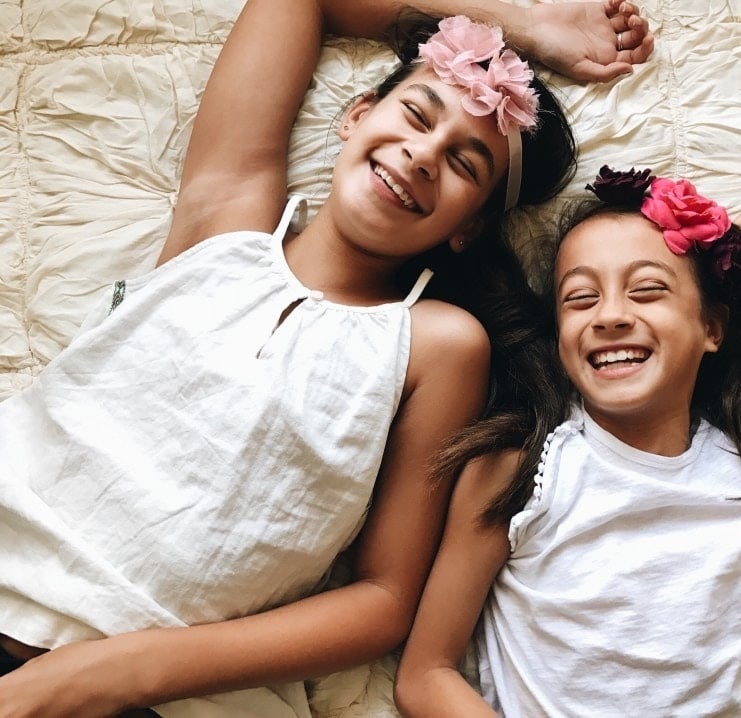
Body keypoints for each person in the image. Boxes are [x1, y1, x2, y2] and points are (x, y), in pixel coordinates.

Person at [0, 1, 654, 716]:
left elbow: (382, 601)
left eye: (464, 163)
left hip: (140, 687)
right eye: (416, 115)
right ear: (356, 114)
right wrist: (520, 30)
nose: (423, 155)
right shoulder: (226, 221)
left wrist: (118, 670)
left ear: (469, 226)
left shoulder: (435, 345)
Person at [393, 166, 741, 716]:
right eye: (580, 299)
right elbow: (425, 677)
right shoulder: (520, 469)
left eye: (647, 290)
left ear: (712, 328)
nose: (610, 315)